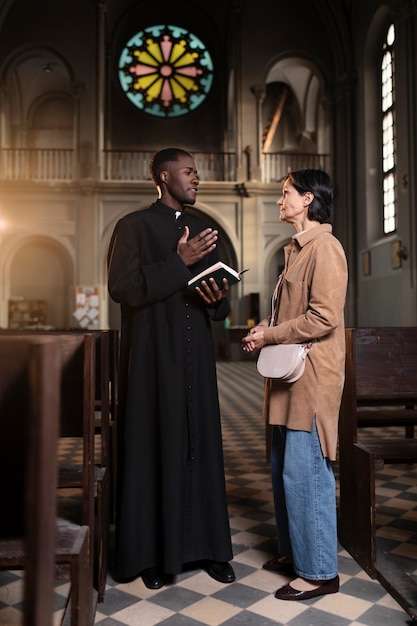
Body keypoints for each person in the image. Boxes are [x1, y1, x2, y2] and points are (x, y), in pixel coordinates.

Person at [107, 147, 235, 590]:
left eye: (196, 173)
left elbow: (221, 302)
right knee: (153, 445)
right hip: (151, 357)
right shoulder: (133, 227)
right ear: (163, 177)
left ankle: (209, 548)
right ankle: (151, 555)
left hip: (197, 356)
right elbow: (121, 288)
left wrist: (220, 301)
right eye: (188, 172)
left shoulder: (205, 229)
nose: (196, 179)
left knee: (201, 445)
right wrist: (178, 264)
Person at [242, 169, 348, 601]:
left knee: (306, 475)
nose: (279, 200)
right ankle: (295, 553)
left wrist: (271, 335)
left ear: (307, 199)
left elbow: (325, 317)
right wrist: (264, 327)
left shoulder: (326, 247)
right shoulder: (295, 249)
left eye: (285, 193)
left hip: (313, 377)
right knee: (284, 471)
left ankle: (321, 571)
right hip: (289, 376)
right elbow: (292, 313)